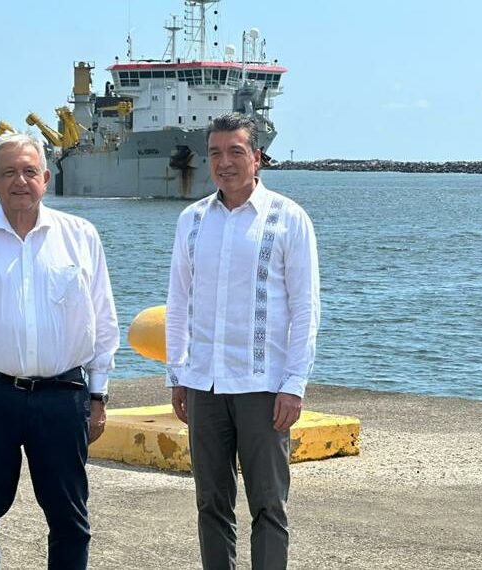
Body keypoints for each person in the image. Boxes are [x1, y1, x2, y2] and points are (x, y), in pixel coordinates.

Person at [0, 132, 119, 570]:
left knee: (70, 520)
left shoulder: (80, 236)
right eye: (9, 172)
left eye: (29, 171)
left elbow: (104, 321)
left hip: (62, 396)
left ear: (46, 178)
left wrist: (98, 395)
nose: (20, 181)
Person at [165, 113, 320, 570]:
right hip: (204, 385)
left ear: (257, 158)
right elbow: (178, 303)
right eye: (215, 152)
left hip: (263, 385)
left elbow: (305, 307)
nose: (224, 162)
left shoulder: (288, 219)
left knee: (269, 505)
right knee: (210, 502)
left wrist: (294, 384)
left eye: (236, 151)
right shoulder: (191, 221)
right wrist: (177, 373)